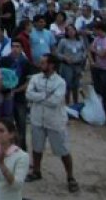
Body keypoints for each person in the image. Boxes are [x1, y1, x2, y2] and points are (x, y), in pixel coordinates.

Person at [25, 54, 78, 193]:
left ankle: (70, 177)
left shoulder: (60, 82)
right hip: (38, 119)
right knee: (37, 147)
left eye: (43, 63)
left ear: (51, 65)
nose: (40, 65)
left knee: (63, 150)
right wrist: (45, 95)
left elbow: (54, 101)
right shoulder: (36, 78)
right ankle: (37, 171)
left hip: (55, 121)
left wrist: (38, 96)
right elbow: (28, 94)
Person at [89, 22, 106, 122]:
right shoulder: (97, 39)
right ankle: (100, 110)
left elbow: (103, 54)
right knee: (98, 89)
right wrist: (92, 60)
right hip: (98, 67)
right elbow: (90, 49)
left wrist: (94, 50)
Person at [56, 24, 86, 105]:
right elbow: (58, 53)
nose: (71, 32)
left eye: (72, 30)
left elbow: (84, 51)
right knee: (67, 85)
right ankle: (67, 103)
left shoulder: (80, 40)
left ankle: (76, 103)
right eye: (69, 30)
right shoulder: (63, 41)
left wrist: (82, 57)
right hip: (67, 66)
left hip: (77, 65)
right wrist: (64, 57)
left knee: (76, 85)